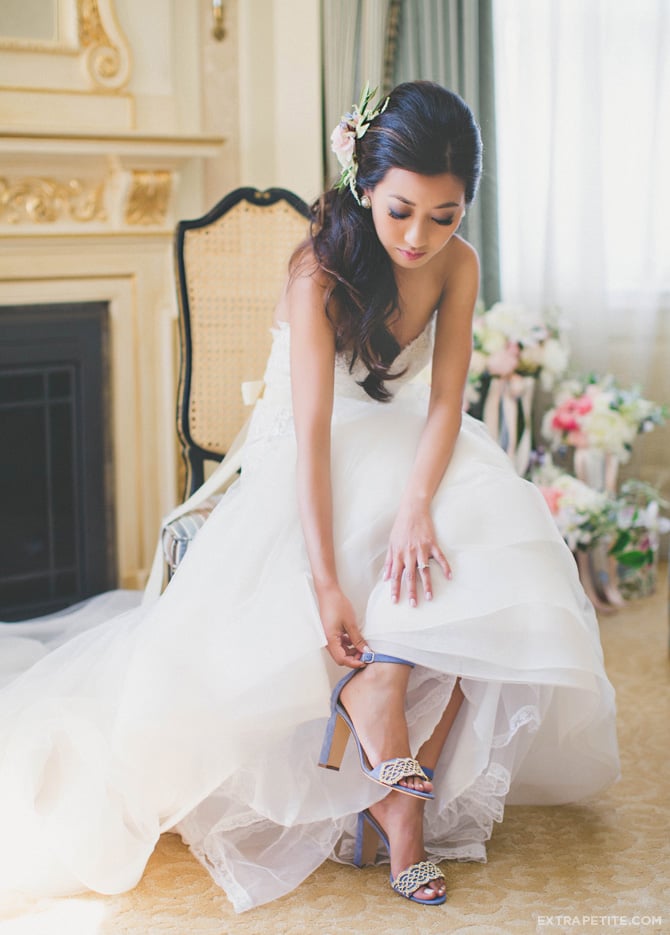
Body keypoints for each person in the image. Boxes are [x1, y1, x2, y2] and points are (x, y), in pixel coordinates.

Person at [0, 81, 619, 912]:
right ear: (366, 183)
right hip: (313, 449)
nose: (419, 237)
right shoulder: (319, 268)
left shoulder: (458, 265)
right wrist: (327, 581)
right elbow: (313, 432)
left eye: (446, 215)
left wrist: (415, 504)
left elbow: (444, 404)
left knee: (486, 523)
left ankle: (390, 722)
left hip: (416, 437)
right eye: (401, 210)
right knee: (385, 517)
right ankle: (400, 792)